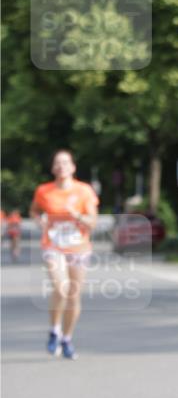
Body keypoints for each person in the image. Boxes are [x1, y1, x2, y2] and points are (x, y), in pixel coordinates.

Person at [29, 149, 99, 359]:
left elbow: (92, 222)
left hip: (78, 247)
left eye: (66, 162)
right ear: (53, 168)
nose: (61, 166)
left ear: (73, 167)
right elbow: (33, 210)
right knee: (61, 288)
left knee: (73, 295)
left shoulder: (84, 191)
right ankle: (54, 329)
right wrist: (39, 220)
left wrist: (76, 214)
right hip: (53, 245)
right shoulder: (44, 191)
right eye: (58, 163)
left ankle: (67, 338)